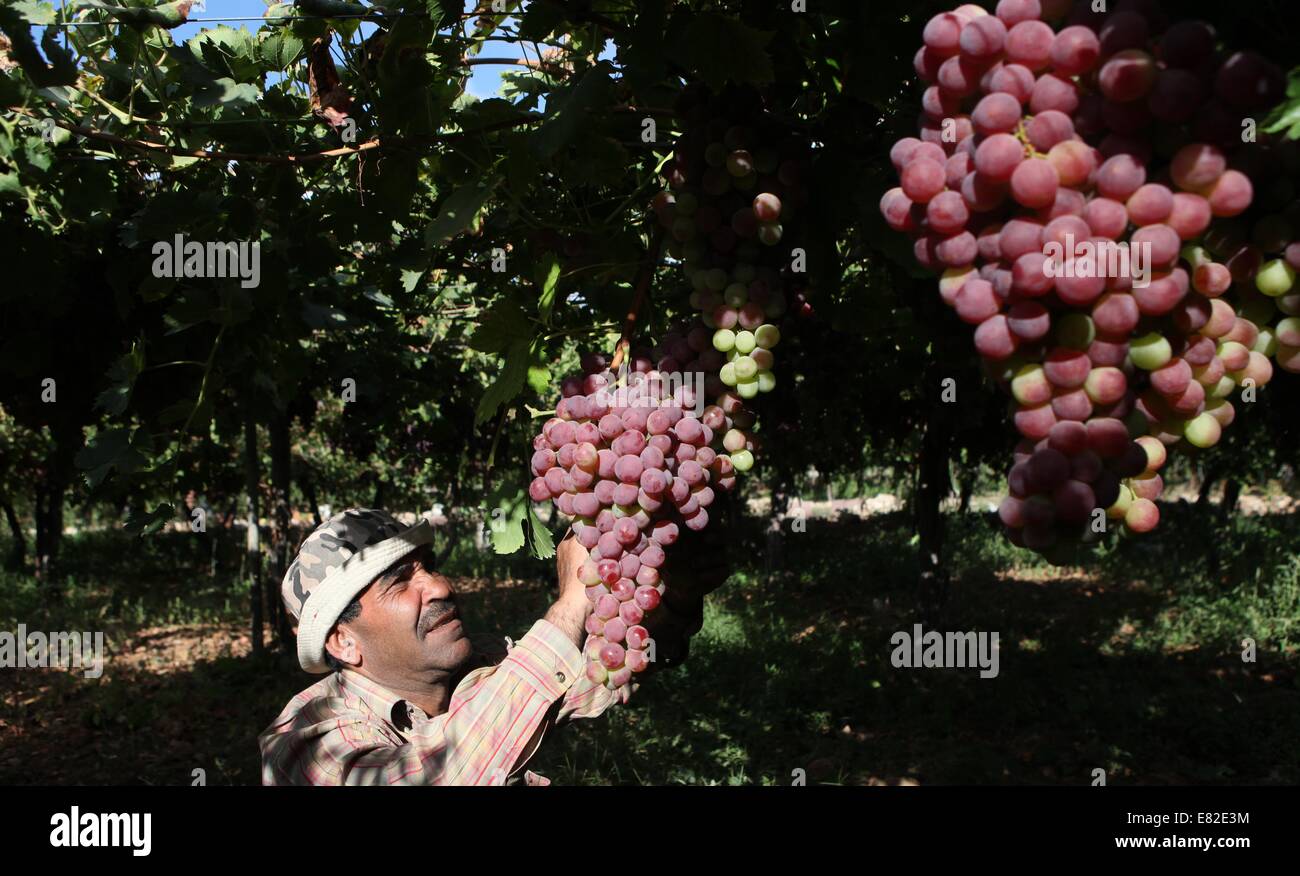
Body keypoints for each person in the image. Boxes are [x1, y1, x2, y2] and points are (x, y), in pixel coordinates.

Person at [259, 507, 726, 785]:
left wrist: (674, 599)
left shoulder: (477, 671)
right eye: (400, 583)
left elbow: (604, 671)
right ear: (344, 642)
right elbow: (446, 772)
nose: (439, 586)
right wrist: (571, 603)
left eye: (428, 567)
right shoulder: (305, 742)